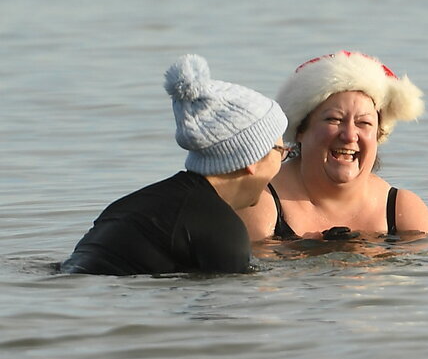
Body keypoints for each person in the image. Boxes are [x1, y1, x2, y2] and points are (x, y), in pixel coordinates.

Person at [61, 55, 288, 276]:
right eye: (281, 151)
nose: (284, 159)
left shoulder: (134, 204)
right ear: (252, 159)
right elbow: (231, 304)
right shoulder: (219, 226)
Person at [239, 51, 428, 240]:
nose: (349, 135)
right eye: (334, 119)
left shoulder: (399, 207)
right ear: (301, 130)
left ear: (378, 135)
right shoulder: (260, 200)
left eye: (364, 123)